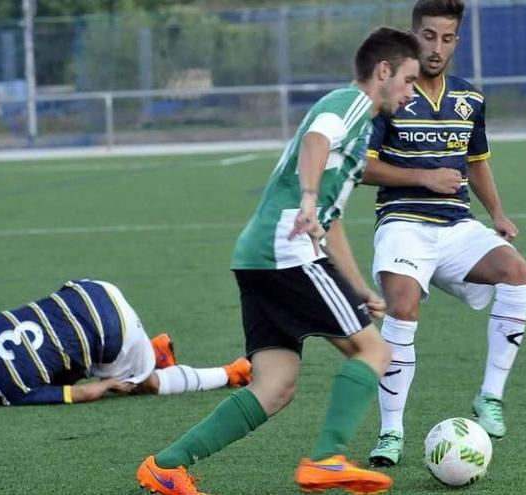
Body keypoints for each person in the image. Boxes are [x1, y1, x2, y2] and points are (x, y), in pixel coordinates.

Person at [135, 27, 420, 495]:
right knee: (374, 350)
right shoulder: (350, 104)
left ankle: (167, 465)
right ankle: (327, 459)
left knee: (275, 385)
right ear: (383, 71)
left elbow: (333, 222)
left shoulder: (360, 130)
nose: (411, 93)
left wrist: (359, 289)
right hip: (286, 251)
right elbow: (315, 140)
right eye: (409, 80)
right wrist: (308, 197)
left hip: (259, 255)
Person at [362, 0, 526, 467]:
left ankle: (490, 397)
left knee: (517, 273)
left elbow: (477, 163)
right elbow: (363, 167)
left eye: (447, 37)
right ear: (413, 35)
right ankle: (391, 433)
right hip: (403, 225)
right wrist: (424, 177)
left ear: (458, 40)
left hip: (457, 227)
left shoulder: (470, 99)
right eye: (429, 36)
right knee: (403, 307)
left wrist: (497, 214)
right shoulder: (391, 92)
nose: (437, 47)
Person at [0, 279, 252, 408]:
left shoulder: (10, 392)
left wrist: (108, 383)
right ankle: (152, 350)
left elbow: (84, 393)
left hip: (113, 332)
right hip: (91, 289)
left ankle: (231, 373)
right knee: (60, 356)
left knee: (144, 385)